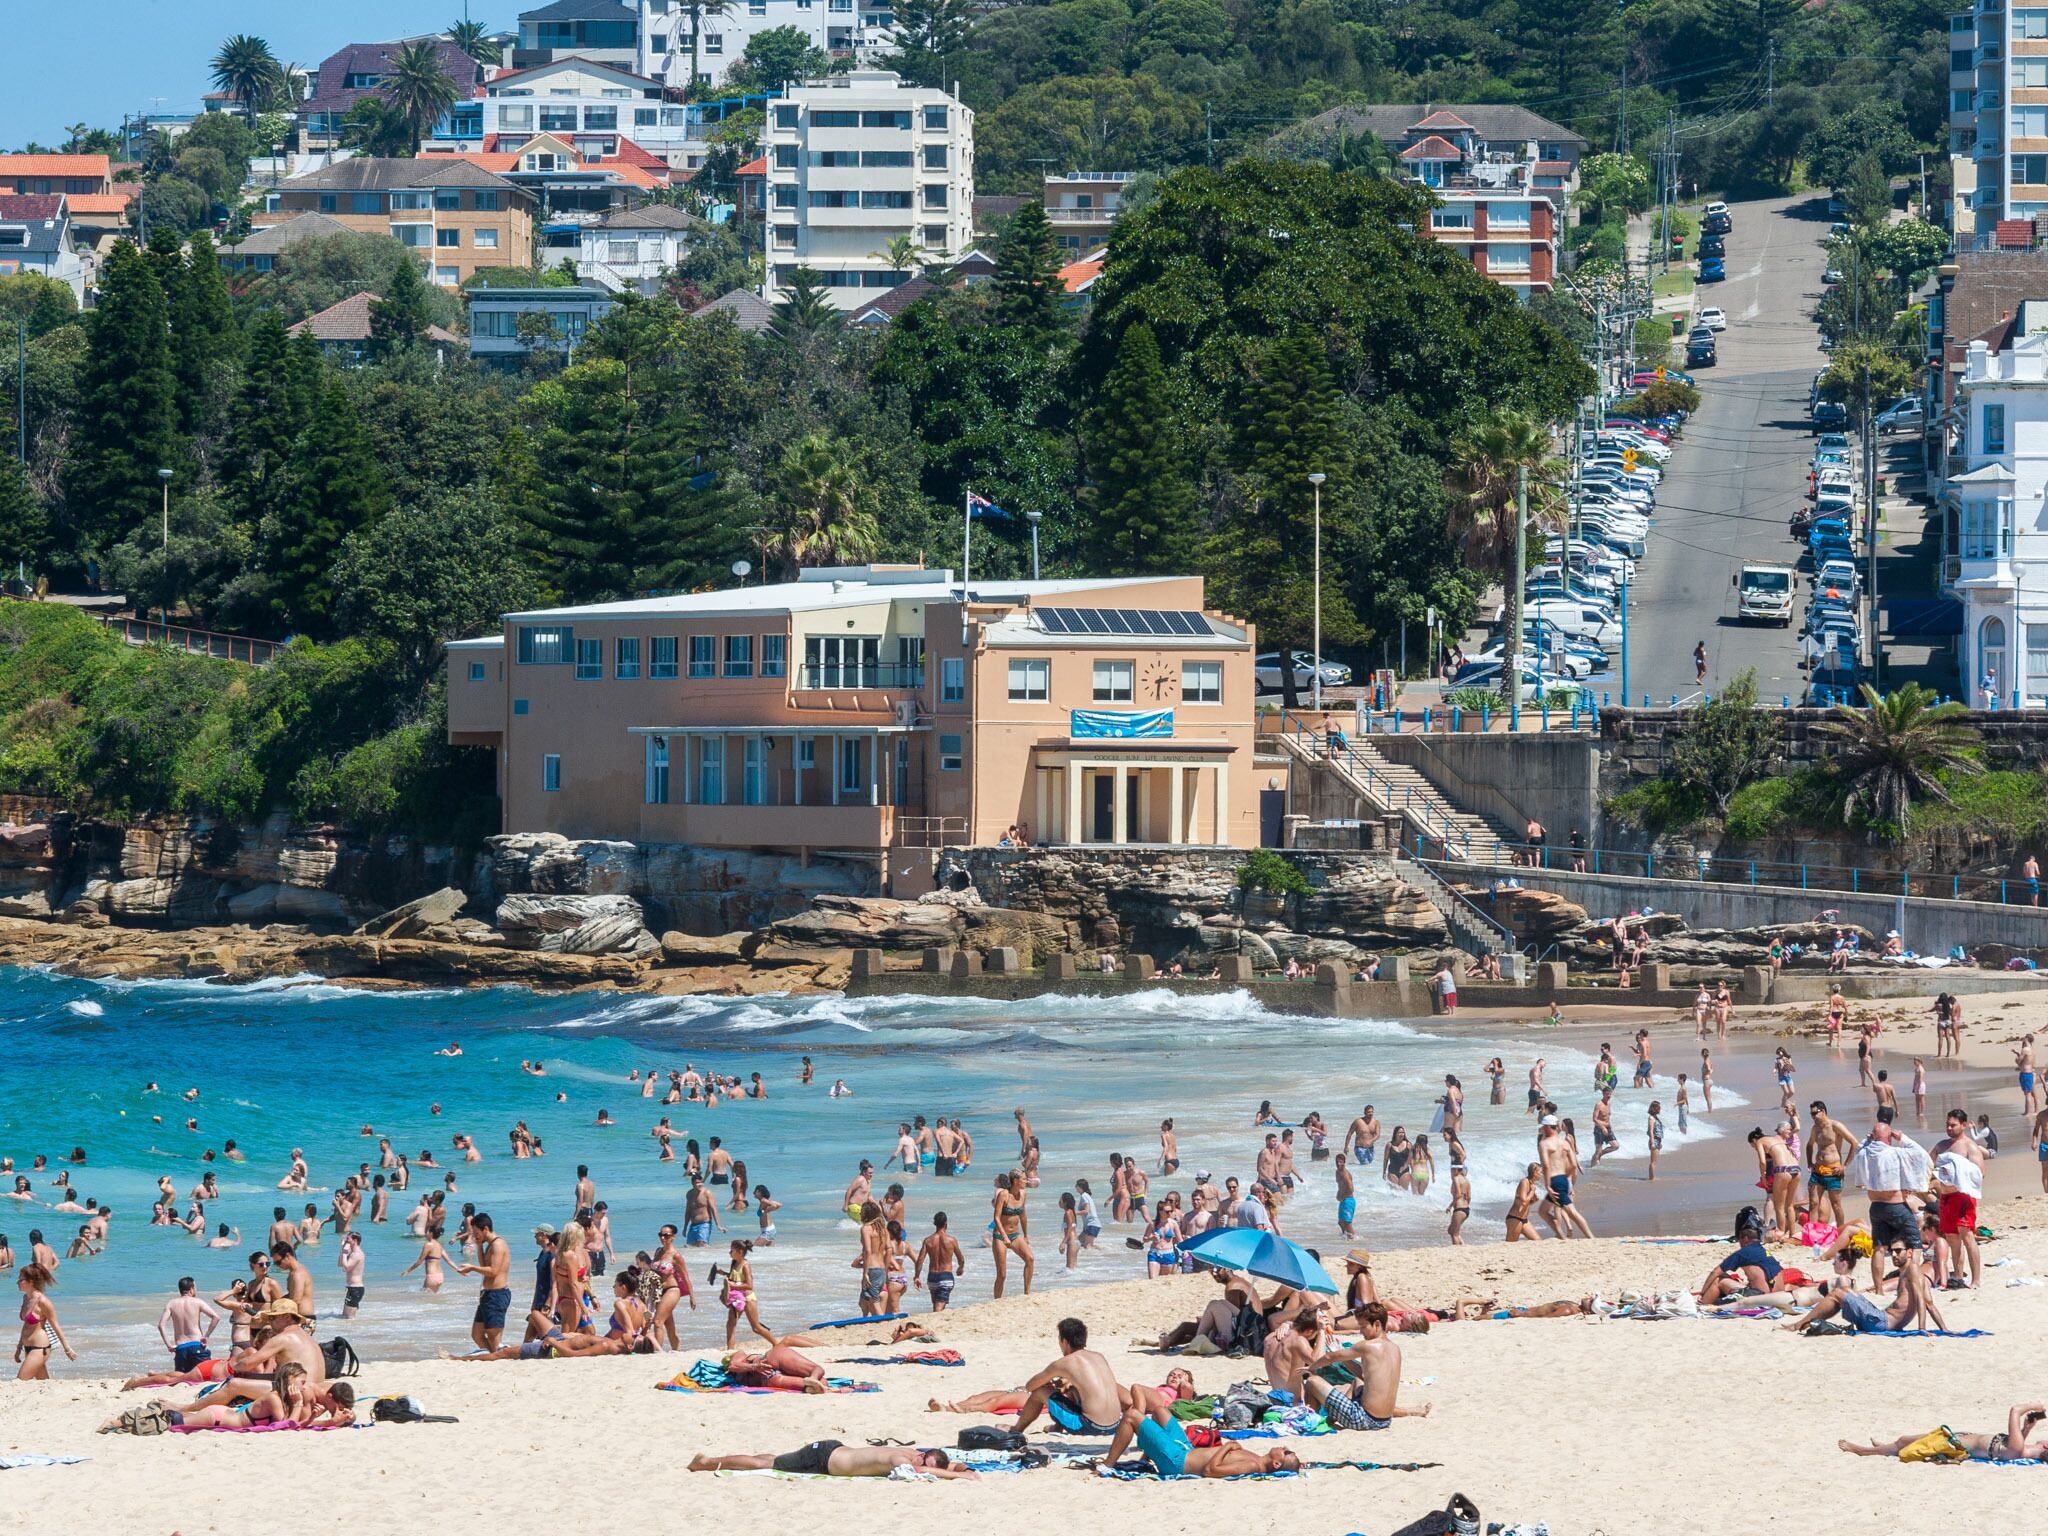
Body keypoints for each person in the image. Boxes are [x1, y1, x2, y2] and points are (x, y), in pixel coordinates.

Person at [1303, 1302, 1432, 1430]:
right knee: (1358, 1381)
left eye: (1363, 1326)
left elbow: (1330, 1358)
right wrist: (1340, 1355)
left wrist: (1312, 1367)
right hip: (1385, 1420)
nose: (1360, 1331)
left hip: (1363, 1419)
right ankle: (1331, 1419)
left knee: (1312, 1381)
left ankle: (1311, 1420)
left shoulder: (1367, 1346)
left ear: (1376, 1324)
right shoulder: (1395, 1348)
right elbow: (1365, 1376)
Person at [1785, 1238, 1948, 1335]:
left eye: (1899, 1251)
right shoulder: (1913, 1273)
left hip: (1881, 1322)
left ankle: (1800, 1324)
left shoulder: (1912, 1269)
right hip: (1880, 1318)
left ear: (1910, 1253)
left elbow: (1922, 1300)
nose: (1895, 1256)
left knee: (1837, 1293)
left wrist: (1921, 1329)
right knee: (1843, 1292)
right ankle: (1805, 1322)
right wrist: (1944, 1329)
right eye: (1892, 1252)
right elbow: (1930, 1303)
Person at [1009, 1317, 1124, 1437]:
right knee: (1072, 1389)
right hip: (1115, 1426)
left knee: (1039, 1392)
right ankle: (1056, 1427)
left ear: (1064, 1342)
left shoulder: (1066, 1362)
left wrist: (1047, 1384)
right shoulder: (1099, 1357)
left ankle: (1016, 1430)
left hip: (1091, 1427)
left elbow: (1030, 1386)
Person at [1839, 1404, 2048, 1462]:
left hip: (1953, 1443)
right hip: (1958, 1438)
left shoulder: (2018, 1448)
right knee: (1903, 1442)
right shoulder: (2020, 1449)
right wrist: (2026, 1429)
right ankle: (1882, 1448)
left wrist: (2036, 1405)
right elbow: (2014, 1445)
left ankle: (1863, 1451)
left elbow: (2015, 1410)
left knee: (1904, 1442)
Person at [688, 1444, 978, 1480]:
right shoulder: (902, 1458)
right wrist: (963, 1476)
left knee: (773, 1459)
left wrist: (957, 1468)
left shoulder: (912, 1451)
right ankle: (708, 1462)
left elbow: (934, 1463)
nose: (918, 1461)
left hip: (828, 1452)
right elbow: (924, 1469)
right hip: (823, 1458)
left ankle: (712, 1459)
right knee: (766, 1464)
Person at [1933, 1111, 1985, 1291]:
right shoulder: (1941, 1146)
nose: (1949, 1128)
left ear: (1963, 1125)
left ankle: (1976, 1279)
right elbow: (1925, 1163)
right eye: (1947, 1124)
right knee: (1952, 1239)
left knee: (1967, 1236)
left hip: (1963, 1197)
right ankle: (1957, 1276)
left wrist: (1957, 1174)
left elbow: (1980, 1173)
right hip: (1945, 1198)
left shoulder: (1969, 1147)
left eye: (1953, 1125)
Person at [454, 1211, 512, 1350]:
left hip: (497, 1295)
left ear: (485, 1229)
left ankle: (498, 1356)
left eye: (476, 1233)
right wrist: (479, 1245)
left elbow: (493, 1271)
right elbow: (484, 1265)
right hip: (487, 1294)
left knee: (494, 1338)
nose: (474, 1236)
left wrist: (472, 1268)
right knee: (477, 1334)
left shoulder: (498, 1244)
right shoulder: (489, 1244)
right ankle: (495, 1355)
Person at [153, 1276, 219, 1373]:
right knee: (205, 1375)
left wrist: (169, 1345)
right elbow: (216, 1317)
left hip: (180, 1348)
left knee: (182, 1377)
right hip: (196, 1345)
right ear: (192, 1288)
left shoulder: (171, 1304)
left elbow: (161, 1325)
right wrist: (206, 1336)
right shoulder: (197, 1302)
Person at [719, 1239, 775, 1347]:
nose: (729, 1253)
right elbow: (735, 1278)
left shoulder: (745, 1266)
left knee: (756, 1327)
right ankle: (730, 1350)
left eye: (731, 1250)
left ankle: (776, 1344)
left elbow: (749, 1285)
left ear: (739, 1252)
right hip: (737, 1299)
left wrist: (732, 1286)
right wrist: (723, 1273)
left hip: (748, 1298)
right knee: (730, 1324)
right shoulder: (734, 1263)